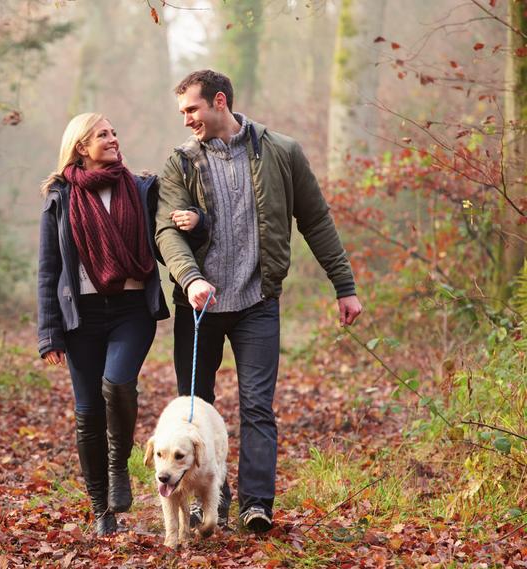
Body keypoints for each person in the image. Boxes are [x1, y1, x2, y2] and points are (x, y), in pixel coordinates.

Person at [154, 69, 364, 533]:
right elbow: (166, 231)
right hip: (199, 307)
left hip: (257, 303)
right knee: (194, 408)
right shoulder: (180, 163)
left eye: (192, 109)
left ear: (220, 101)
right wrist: (189, 279)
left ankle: (255, 505)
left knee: (257, 407)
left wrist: (343, 285)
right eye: (183, 112)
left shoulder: (281, 152)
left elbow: (316, 220)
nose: (187, 119)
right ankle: (203, 503)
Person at [37, 112, 169, 536]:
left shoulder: (141, 188)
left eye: (114, 132)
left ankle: (119, 468)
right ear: (81, 146)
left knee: (117, 384)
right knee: (88, 412)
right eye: (103, 135)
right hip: (82, 318)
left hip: (132, 309)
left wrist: (193, 225)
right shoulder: (60, 196)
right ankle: (101, 510)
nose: (113, 139)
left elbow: (169, 237)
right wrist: (50, 332)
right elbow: (48, 269)